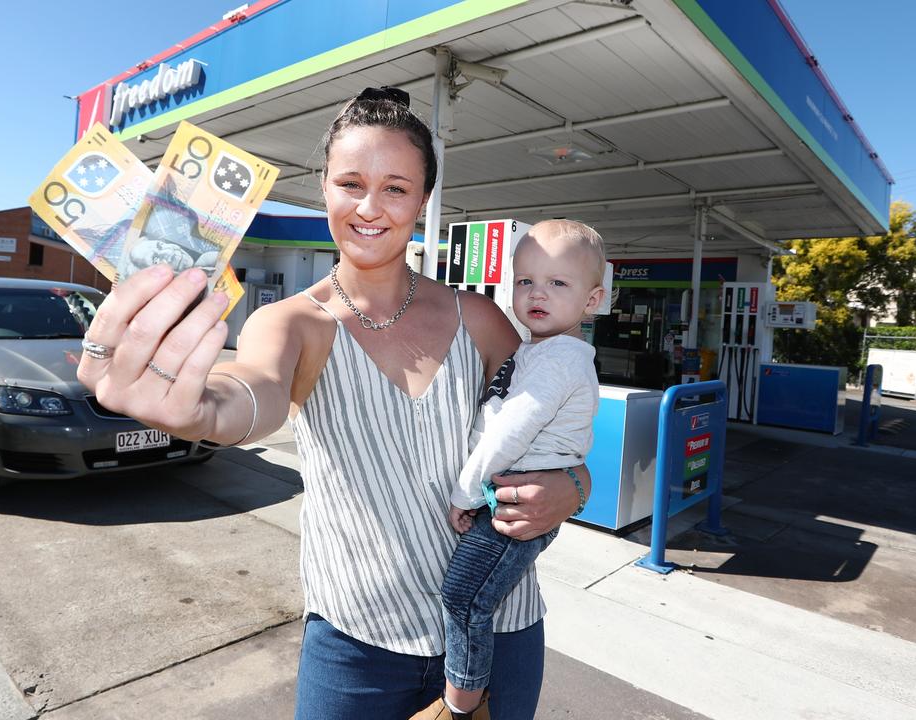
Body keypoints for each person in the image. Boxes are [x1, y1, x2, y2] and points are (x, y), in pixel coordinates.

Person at [75, 86, 590, 720]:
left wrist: (574, 484)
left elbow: (553, 426)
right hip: (357, 649)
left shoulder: (480, 319)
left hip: (501, 637)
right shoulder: (292, 323)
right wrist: (201, 412)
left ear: (423, 200)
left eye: (396, 188)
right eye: (350, 182)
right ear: (324, 189)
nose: (370, 207)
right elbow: (250, 393)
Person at [417, 221, 605, 720]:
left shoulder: (559, 357)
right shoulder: (538, 350)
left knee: (464, 598)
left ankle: (460, 708)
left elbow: (507, 434)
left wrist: (464, 493)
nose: (537, 293)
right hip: (511, 498)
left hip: (512, 506)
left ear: (592, 299)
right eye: (525, 281)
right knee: (468, 596)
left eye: (558, 283)